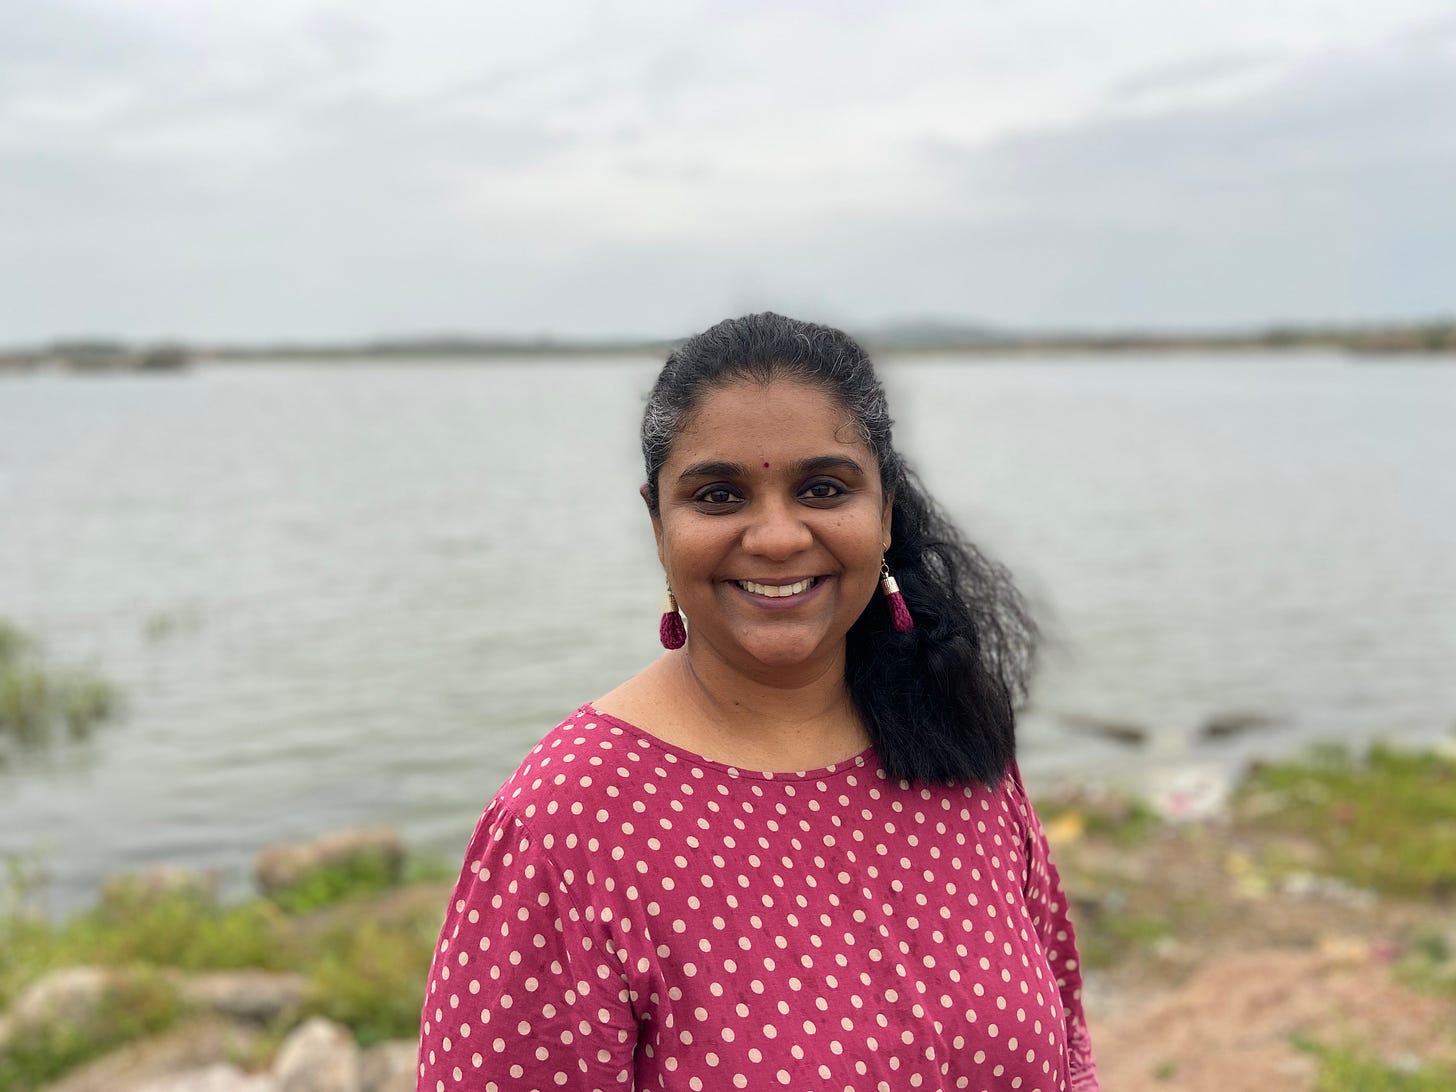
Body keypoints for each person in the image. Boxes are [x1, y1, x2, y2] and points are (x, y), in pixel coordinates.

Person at [416, 313, 1099, 1092]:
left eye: (822, 488)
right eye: (718, 495)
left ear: (885, 511)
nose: (776, 537)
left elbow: (1069, 1052)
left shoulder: (951, 732)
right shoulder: (569, 824)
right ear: (657, 521)